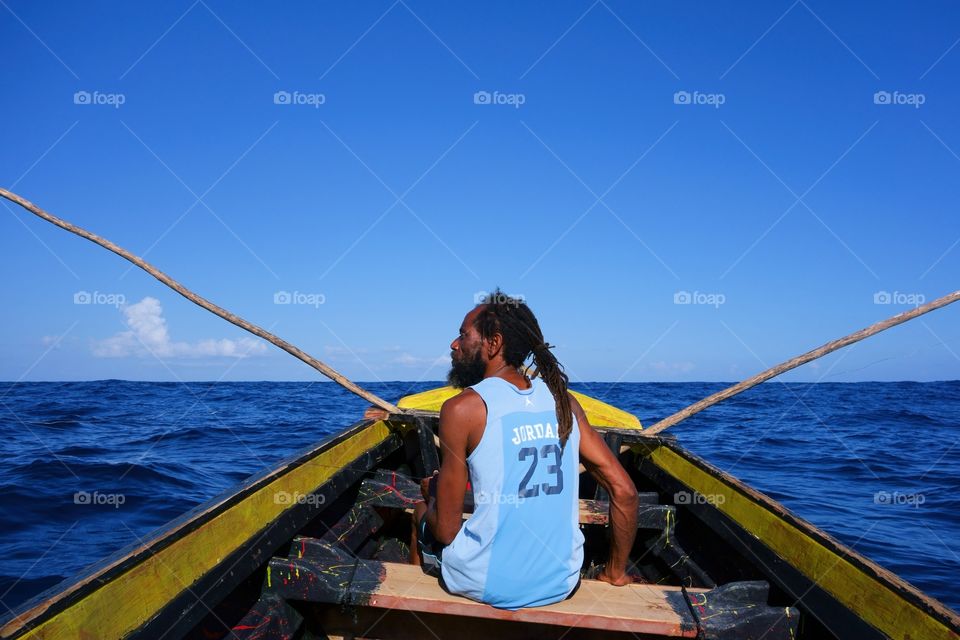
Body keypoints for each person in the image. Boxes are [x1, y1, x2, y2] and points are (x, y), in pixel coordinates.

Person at [410, 290, 639, 609]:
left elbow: (447, 531)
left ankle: (416, 611)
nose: (454, 344)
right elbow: (625, 491)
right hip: (562, 583)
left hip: (483, 584)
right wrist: (615, 572)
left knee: (421, 512)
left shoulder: (461, 409)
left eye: (463, 334)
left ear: (493, 343)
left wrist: (432, 495)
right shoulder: (565, 402)